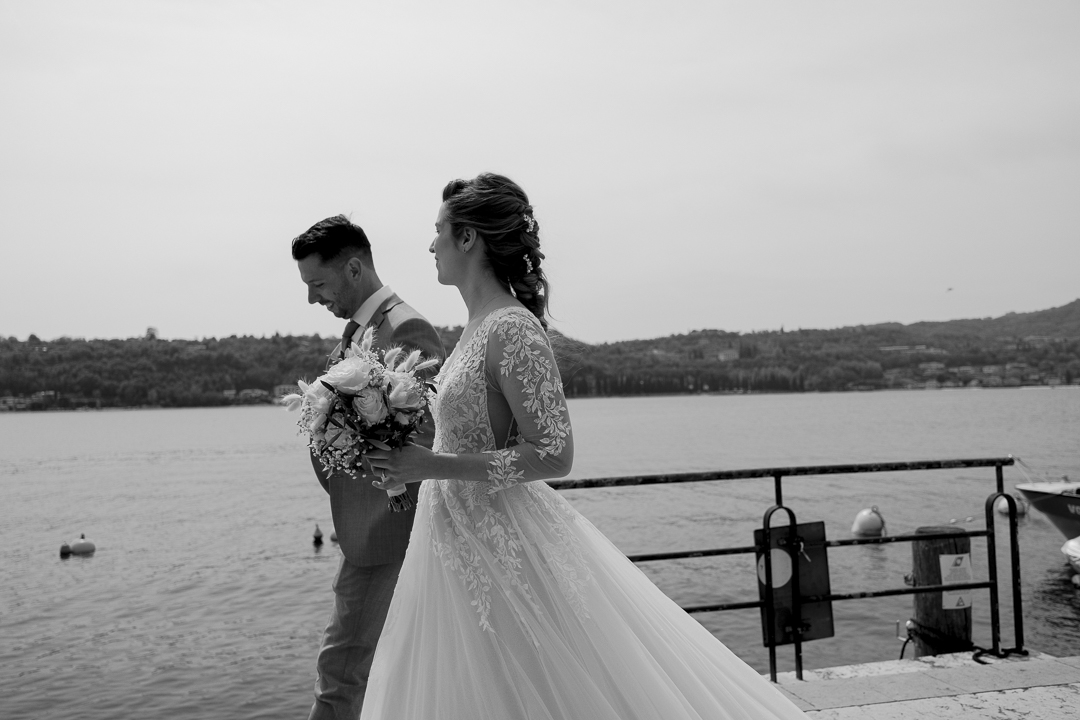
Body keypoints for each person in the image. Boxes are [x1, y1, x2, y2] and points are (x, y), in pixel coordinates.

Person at [362, 174, 808, 719]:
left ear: (469, 238)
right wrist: (412, 465)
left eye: (438, 231)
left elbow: (554, 453)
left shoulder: (512, 329)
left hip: (501, 541)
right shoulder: (475, 325)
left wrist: (432, 464)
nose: (431, 245)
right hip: (451, 536)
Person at [291, 215, 445, 720]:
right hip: (365, 527)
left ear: (354, 268)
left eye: (318, 284)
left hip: (387, 531)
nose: (313, 299)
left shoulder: (405, 329)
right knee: (365, 671)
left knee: (341, 672)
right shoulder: (358, 331)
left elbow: (427, 437)